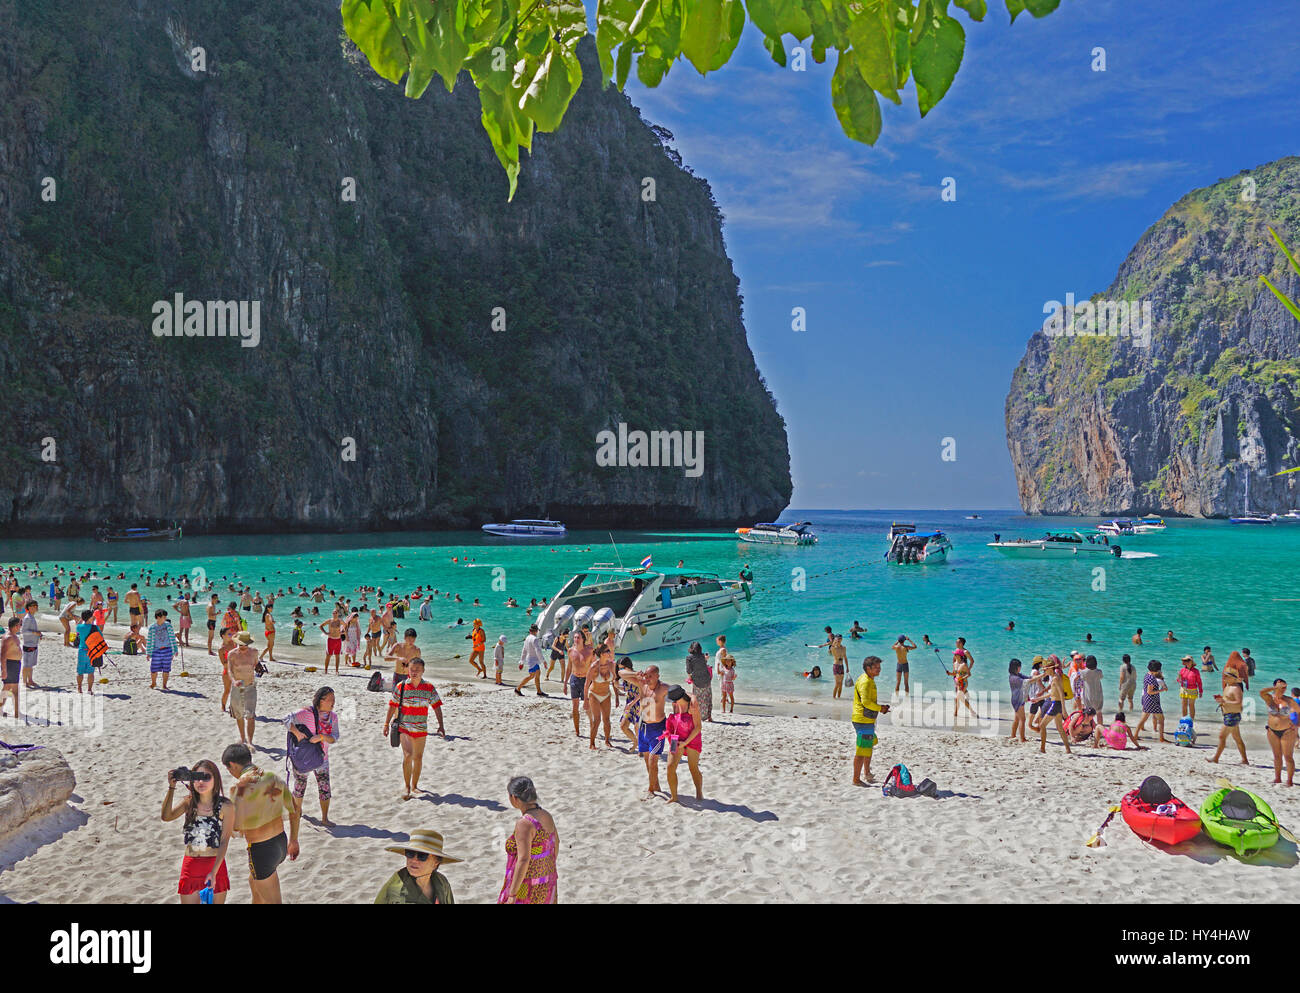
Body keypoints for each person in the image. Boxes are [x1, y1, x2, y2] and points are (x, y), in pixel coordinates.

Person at [222, 742, 300, 904]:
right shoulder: (273, 776)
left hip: (261, 850)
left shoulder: (239, 787)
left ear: (233, 765)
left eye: (229, 769)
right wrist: (294, 840)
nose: (230, 773)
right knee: (254, 884)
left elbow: (236, 828)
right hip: (280, 842)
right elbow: (295, 811)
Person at [161, 760, 233, 904]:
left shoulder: (226, 806)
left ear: (216, 779)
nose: (201, 781)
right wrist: (171, 787)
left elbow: (224, 841)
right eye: (196, 777)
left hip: (215, 865)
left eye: (206, 777)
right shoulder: (189, 803)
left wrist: (213, 872)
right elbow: (166, 816)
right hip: (191, 866)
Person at [383, 658, 445, 800]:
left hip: (421, 728)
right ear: (407, 670)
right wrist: (386, 724)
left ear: (423, 670)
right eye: (412, 669)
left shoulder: (429, 688)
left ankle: (415, 785)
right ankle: (407, 786)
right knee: (408, 756)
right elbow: (392, 705)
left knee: (418, 758)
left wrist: (441, 725)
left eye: (418, 669)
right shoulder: (401, 686)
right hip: (405, 727)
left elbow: (437, 707)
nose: (414, 672)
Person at [498, 776, 558, 904]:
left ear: (514, 798)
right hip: (547, 880)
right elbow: (556, 844)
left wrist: (512, 894)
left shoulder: (525, 823)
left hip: (528, 886)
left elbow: (524, 859)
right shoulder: (547, 815)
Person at [285, 686, 339, 826]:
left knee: (325, 788)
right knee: (300, 786)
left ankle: (325, 818)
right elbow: (286, 720)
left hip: (322, 758)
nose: (333, 702)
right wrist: (296, 732)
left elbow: (334, 738)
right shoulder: (306, 712)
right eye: (330, 699)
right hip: (303, 757)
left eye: (334, 699)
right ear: (320, 700)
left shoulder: (333, 717)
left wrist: (321, 737)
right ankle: (297, 811)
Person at [375, 829, 460, 904]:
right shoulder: (398, 892)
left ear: (436, 862)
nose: (414, 860)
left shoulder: (441, 882)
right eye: (410, 853)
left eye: (422, 855)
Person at [622, 665, 669, 796]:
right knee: (648, 762)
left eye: (650, 676)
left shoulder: (663, 688)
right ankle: (656, 785)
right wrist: (635, 673)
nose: (647, 678)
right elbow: (621, 673)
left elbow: (680, 693)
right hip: (643, 727)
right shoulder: (642, 684)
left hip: (657, 729)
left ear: (658, 676)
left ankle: (650, 790)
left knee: (653, 760)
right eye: (646, 676)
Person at [661, 684, 703, 802]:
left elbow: (698, 727)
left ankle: (699, 793)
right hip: (676, 738)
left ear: (678, 698)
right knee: (670, 767)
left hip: (692, 740)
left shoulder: (692, 706)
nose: (671, 702)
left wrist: (685, 743)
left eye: (673, 700)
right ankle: (674, 797)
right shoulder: (675, 704)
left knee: (693, 768)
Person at [851, 656, 888, 784]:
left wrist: (880, 708)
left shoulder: (869, 679)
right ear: (868, 668)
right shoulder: (865, 681)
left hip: (867, 719)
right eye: (876, 667)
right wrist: (880, 708)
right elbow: (866, 702)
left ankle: (867, 773)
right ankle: (856, 779)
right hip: (862, 719)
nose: (879, 669)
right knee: (862, 750)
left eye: (879, 667)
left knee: (869, 745)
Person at [1028, 656, 1072, 755]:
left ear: (1050, 669)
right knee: (1060, 728)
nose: (1044, 671)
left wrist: (1064, 710)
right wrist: (1038, 699)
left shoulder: (1056, 678)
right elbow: (1052, 694)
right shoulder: (1054, 677)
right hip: (1056, 703)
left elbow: (1061, 694)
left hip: (1056, 704)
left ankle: (1042, 748)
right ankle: (1068, 750)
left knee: (1042, 725)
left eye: (1045, 669)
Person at [1208, 669, 1248, 766]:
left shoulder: (1236, 688)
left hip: (1232, 715)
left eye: (1227, 676)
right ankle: (1245, 760)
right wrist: (1221, 700)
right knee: (1237, 738)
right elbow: (1227, 699)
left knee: (1222, 736)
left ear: (1233, 678)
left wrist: (1224, 702)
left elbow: (1239, 703)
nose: (1224, 678)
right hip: (1228, 715)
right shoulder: (1228, 686)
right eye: (1224, 675)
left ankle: (1216, 758)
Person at [1260, 680, 1297, 787]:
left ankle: (1289, 781)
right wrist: (1275, 689)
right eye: (1280, 686)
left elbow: (1298, 711)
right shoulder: (1269, 699)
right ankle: (1277, 778)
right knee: (1277, 756)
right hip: (1272, 730)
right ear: (1274, 686)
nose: (1282, 688)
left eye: (1284, 687)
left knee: (1288, 756)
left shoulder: (1289, 700)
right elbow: (1262, 692)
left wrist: (1296, 724)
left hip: (1287, 731)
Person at [227, 632, 260, 746]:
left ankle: (250, 742)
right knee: (239, 715)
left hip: (250, 686)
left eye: (245, 644)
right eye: (241, 645)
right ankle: (243, 738)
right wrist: (233, 681)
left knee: (250, 715)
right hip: (237, 687)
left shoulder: (254, 652)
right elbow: (230, 671)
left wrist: (260, 670)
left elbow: (256, 665)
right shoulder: (232, 654)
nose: (243, 647)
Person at [567, 627, 593, 738]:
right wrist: (564, 683)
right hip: (574, 679)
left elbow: (595, 667)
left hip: (586, 681)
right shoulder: (570, 651)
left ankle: (593, 726)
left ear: (583, 639)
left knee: (588, 707)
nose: (576, 639)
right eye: (575, 637)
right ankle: (577, 731)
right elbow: (569, 667)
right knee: (575, 706)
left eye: (578, 637)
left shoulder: (589, 651)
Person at [1134, 660, 1168, 743]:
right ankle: (1161, 738)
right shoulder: (1152, 678)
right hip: (1152, 701)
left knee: (1143, 720)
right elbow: (1150, 692)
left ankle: (1135, 736)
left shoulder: (1147, 675)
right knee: (1161, 720)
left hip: (1147, 700)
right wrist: (1162, 690)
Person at [145, 608, 179, 691]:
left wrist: (175, 650)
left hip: (167, 650)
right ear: (158, 617)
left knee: (166, 669)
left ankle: (164, 685)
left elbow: (172, 638)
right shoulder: (152, 628)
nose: (165, 618)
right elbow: (149, 641)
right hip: (156, 651)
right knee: (153, 669)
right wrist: (148, 653)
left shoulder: (168, 625)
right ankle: (153, 683)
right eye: (164, 617)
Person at [944, 651, 979, 721]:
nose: (954, 655)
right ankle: (972, 712)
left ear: (959, 656)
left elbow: (969, 674)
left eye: (955, 654)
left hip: (964, 683)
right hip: (957, 683)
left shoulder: (964, 664)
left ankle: (970, 712)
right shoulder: (954, 664)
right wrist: (949, 673)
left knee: (958, 697)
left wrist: (961, 678)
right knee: (960, 698)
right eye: (954, 654)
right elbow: (955, 674)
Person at [684, 641, 713, 722]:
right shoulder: (703, 656)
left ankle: (698, 716)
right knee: (707, 698)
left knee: (697, 699)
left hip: (697, 680)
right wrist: (706, 659)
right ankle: (709, 716)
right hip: (707, 679)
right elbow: (703, 665)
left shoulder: (689, 658)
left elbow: (689, 670)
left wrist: (690, 678)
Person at [514, 624, 545, 696]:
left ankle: (539, 691)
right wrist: (543, 661)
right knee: (532, 676)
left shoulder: (527, 638)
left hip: (531, 660)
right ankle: (518, 689)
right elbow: (538, 651)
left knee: (537, 674)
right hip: (533, 660)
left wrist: (521, 661)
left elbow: (524, 650)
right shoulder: (535, 639)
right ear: (536, 631)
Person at [0, 617, 21, 718]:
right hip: (10, 664)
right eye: (19, 624)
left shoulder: (14, 636)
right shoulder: (8, 637)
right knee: (13, 689)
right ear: (16, 626)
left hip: (15, 664)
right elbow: (2, 655)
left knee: (7, 689)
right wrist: (4, 670)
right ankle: (17, 713)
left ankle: (2, 709)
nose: (20, 626)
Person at [75, 609, 98, 695]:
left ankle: (79, 688)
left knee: (80, 671)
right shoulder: (95, 628)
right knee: (91, 672)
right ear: (90, 617)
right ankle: (89, 689)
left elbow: (77, 625)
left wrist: (82, 619)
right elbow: (100, 637)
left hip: (82, 651)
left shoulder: (80, 627)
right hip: (91, 651)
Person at [1008, 658, 1031, 742]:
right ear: (1016, 667)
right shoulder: (1014, 678)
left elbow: (1029, 678)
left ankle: (1013, 735)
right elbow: (1028, 681)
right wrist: (1041, 676)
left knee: (1017, 719)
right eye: (1019, 666)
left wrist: (1041, 676)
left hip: (1018, 699)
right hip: (1017, 700)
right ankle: (1022, 738)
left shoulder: (1018, 675)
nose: (1020, 667)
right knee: (1022, 719)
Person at [20, 600, 41, 689]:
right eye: (33, 605)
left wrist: (39, 634)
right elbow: (23, 631)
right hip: (28, 644)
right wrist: (35, 633)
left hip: (33, 644)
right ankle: (25, 682)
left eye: (36, 605)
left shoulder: (32, 617)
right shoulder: (27, 618)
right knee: (26, 665)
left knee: (31, 665)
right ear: (29, 607)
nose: (35, 607)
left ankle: (30, 680)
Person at [1177, 655, 1203, 719]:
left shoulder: (1196, 671)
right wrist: (1179, 678)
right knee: (1184, 705)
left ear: (1192, 662)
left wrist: (1200, 691)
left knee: (1191, 705)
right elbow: (1178, 680)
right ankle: (1184, 720)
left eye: (1188, 660)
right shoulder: (1182, 670)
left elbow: (1199, 682)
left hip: (1192, 689)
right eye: (1185, 661)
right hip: (1184, 689)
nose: (1187, 662)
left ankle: (1191, 721)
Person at [718, 643, 737, 713]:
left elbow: (732, 679)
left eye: (729, 661)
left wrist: (734, 677)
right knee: (724, 697)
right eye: (727, 661)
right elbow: (720, 673)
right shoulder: (724, 668)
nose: (728, 662)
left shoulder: (732, 670)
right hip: (724, 683)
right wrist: (717, 667)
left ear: (732, 662)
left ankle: (731, 709)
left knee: (731, 697)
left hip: (729, 684)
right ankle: (723, 710)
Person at [829, 634, 848, 700]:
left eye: (840, 638)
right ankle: (833, 698)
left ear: (842, 639)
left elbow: (845, 658)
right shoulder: (834, 648)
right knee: (837, 684)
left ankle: (839, 698)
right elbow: (831, 649)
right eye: (838, 638)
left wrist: (847, 667)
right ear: (835, 639)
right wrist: (834, 641)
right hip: (836, 666)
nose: (839, 640)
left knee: (841, 684)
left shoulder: (844, 648)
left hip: (842, 666)